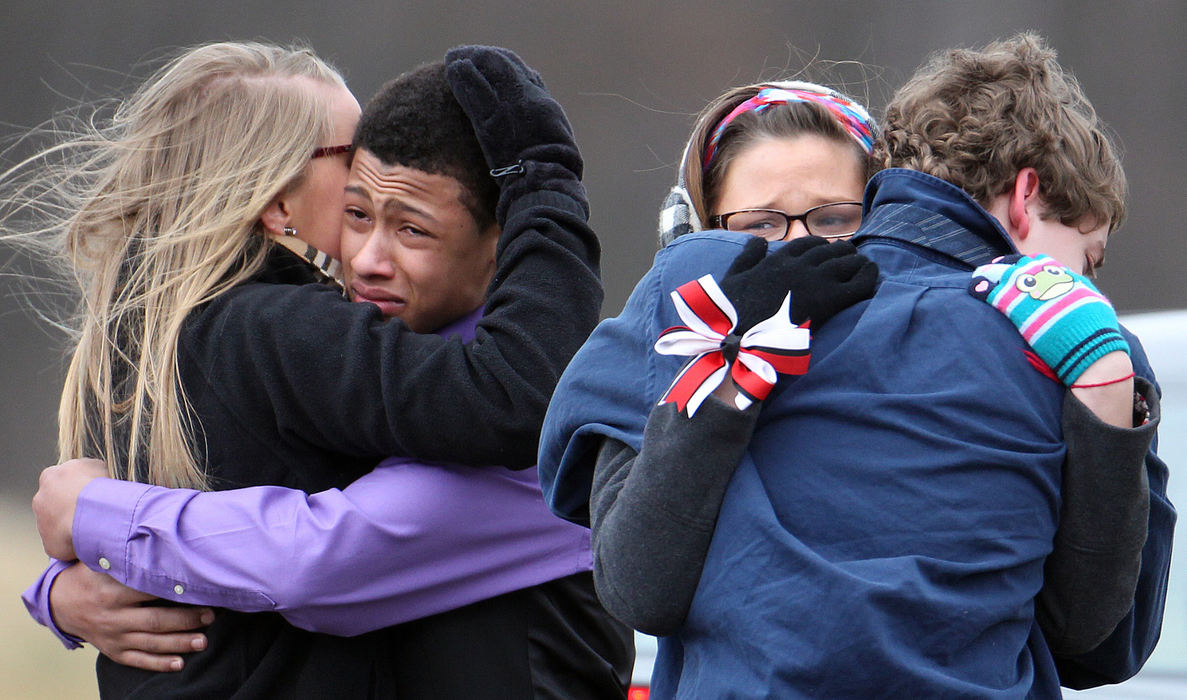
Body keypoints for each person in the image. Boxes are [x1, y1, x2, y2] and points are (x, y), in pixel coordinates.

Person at [538, 34, 1171, 698]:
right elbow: (636, 582)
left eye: (837, 219)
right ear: (701, 226)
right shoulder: (687, 314)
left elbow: (1100, 641)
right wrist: (730, 368)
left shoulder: (1049, 336)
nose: (801, 247)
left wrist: (1106, 394)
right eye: (756, 228)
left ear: (881, 208)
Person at [12, 42, 630, 697]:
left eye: (412, 227)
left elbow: (315, 562)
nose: (367, 257)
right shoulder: (276, 330)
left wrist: (94, 523)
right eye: (357, 195)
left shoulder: (154, 333)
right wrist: (66, 589)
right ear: (276, 201)